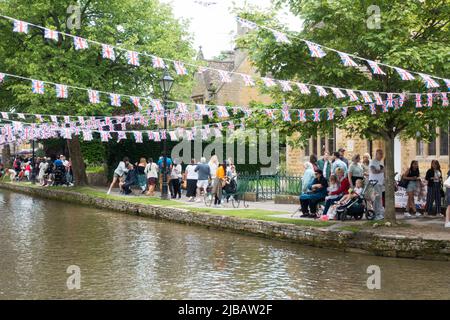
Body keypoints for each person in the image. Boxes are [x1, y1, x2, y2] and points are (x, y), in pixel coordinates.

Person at [369, 149, 385, 221]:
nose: (381, 155)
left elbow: (382, 171)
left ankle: (380, 213)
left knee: (379, 198)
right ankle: (376, 214)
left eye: (382, 154)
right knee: (376, 198)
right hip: (374, 182)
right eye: (380, 154)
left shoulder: (381, 162)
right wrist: (382, 170)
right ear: (376, 154)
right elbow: (373, 171)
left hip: (380, 182)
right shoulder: (373, 162)